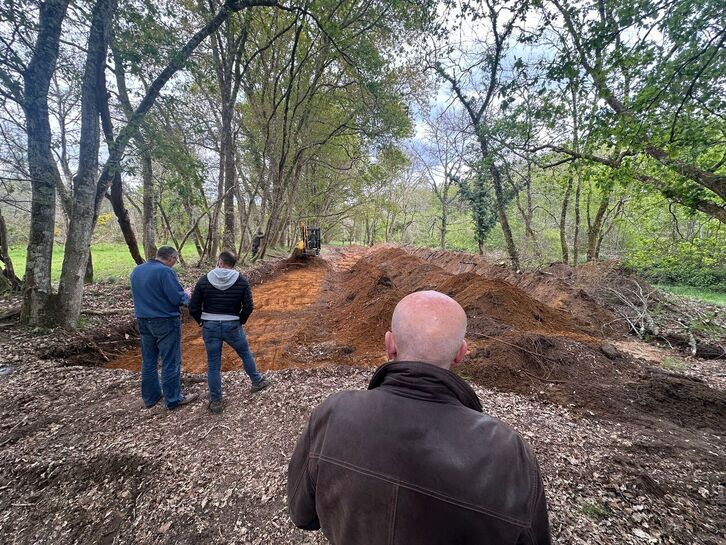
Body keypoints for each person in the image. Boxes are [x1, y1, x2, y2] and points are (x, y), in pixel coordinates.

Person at [287, 290, 551, 545]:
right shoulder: (509, 452)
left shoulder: (333, 413)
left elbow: (303, 516)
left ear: (390, 345)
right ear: (461, 353)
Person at [189, 250, 270, 414]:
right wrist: (239, 321)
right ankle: (256, 381)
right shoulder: (241, 281)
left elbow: (193, 306)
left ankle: (216, 401)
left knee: (213, 364)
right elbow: (248, 306)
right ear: (233, 264)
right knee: (245, 353)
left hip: (210, 325)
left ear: (220, 261)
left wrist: (201, 321)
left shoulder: (204, 280)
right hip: (232, 324)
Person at [130, 246, 198, 409]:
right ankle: (173, 399)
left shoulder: (137, 270)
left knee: (149, 360)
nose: (175, 263)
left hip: (143, 320)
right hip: (165, 320)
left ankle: (150, 397)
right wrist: (187, 294)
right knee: (170, 360)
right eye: (175, 260)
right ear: (172, 258)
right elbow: (176, 298)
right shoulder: (165, 272)